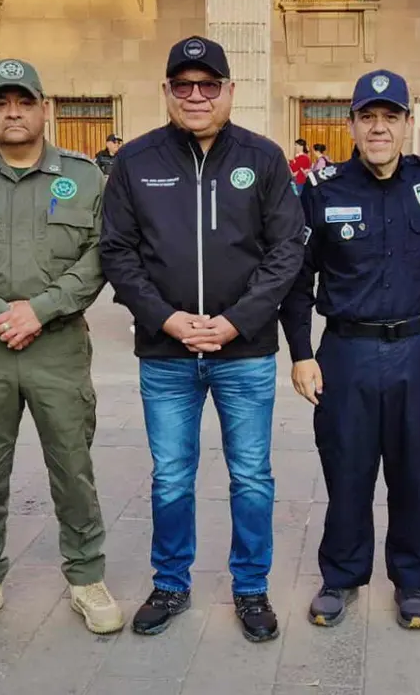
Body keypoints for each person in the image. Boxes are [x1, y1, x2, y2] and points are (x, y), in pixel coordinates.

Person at [100, 35, 304, 642]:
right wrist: (166, 318)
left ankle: (250, 588)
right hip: (166, 354)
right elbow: (118, 252)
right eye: (183, 85)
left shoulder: (263, 159)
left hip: (243, 353)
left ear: (229, 91)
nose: (195, 96)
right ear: (166, 92)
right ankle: (170, 583)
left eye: (207, 85)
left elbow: (286, 249)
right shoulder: (136, 162)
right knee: (170, 475)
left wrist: (236, 320)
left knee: (251, 475)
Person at [0, 58, 123, 639]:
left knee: (73, 466)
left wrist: (40, 308)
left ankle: (86, 577)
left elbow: (101, 255)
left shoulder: (85, 177)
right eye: (0, 103)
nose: (13, 112)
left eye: (24, 101)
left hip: (57, 346)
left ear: (44, 107)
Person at [280, 70, 420, 632]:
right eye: (367, 117)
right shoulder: (324, 189)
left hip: (416, 348)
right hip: (348, 353)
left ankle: (412, 581)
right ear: (352, 124)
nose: (378, 128)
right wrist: (302, 353)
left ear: (408, 123)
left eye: (390, 117)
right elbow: (296, 277)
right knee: (348, 470)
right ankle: (341, 575)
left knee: (412, 471)